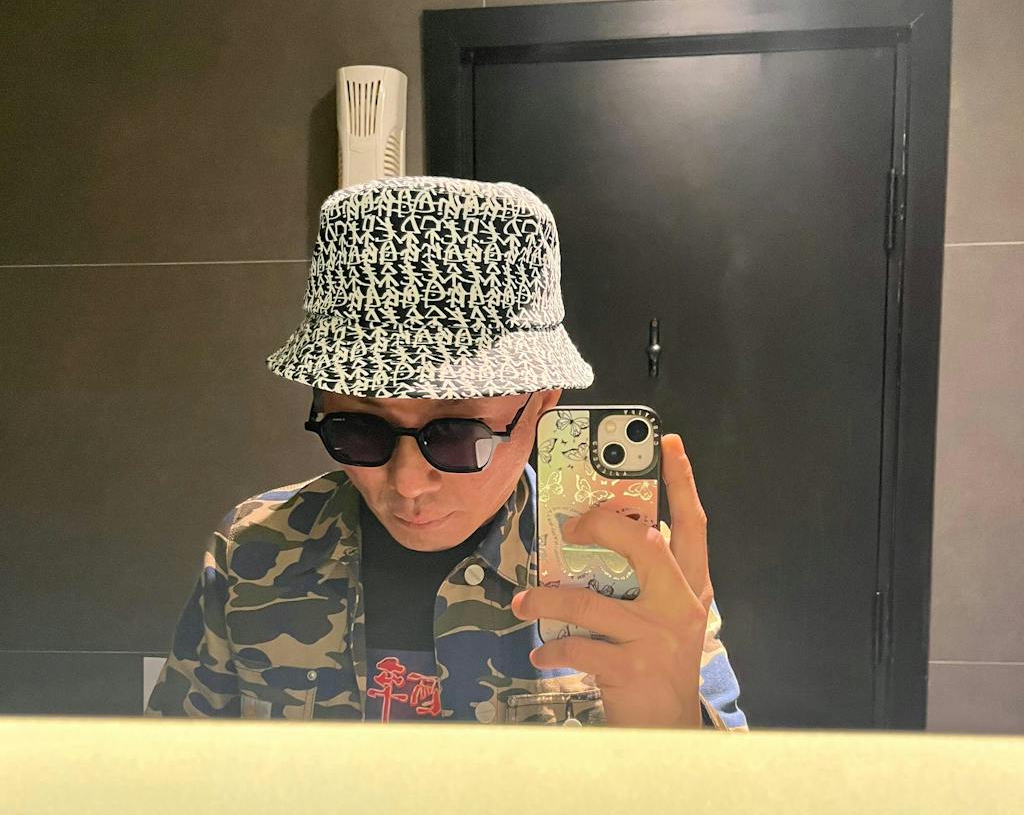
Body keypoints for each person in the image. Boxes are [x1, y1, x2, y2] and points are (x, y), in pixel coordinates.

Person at [147, 176, 747, 729]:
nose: (408, 483)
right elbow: (172, 784)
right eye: (359, 431)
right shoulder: (252, 551)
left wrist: (672, 726)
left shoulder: (636, 572)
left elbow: (727, 811)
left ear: (543, 404)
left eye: (458, 436)